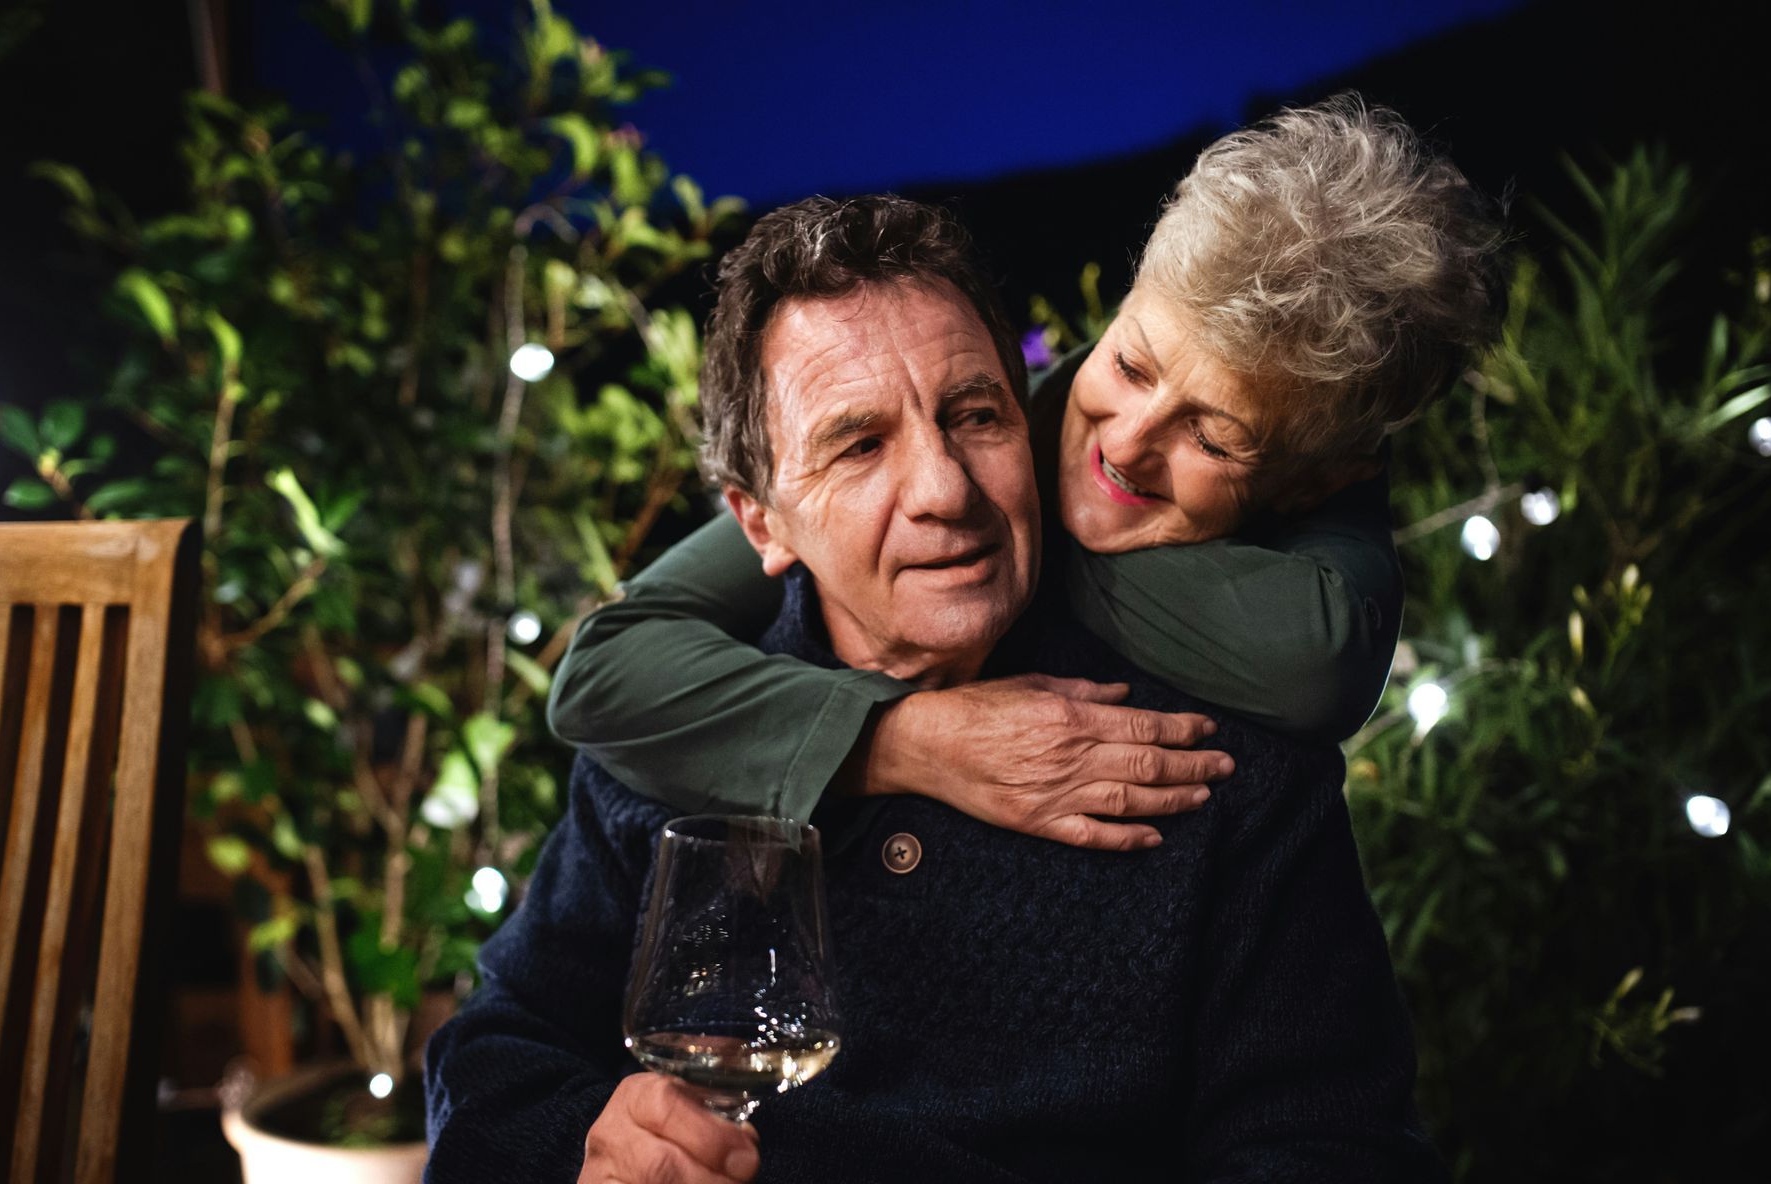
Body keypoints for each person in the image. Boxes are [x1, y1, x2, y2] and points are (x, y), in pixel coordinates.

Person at [424, 193, 1449, 1184]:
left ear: (1031, 418)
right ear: (760, 522)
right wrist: (583, 1165)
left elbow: (1341, 1171)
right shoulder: (681, 734)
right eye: (859, 444)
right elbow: (492, 1058)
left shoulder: (1214, 764)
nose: (945, 491)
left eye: (975, 414)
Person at [546, 94, 1507, 850]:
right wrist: (909, 740)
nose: (1125, 444)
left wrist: (1011, 532)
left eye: (1212, 438)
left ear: (1314, 482)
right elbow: (607, 669)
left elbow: (1322, 663)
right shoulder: (996, 424)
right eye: (1127, 364)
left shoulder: (1268, 727)